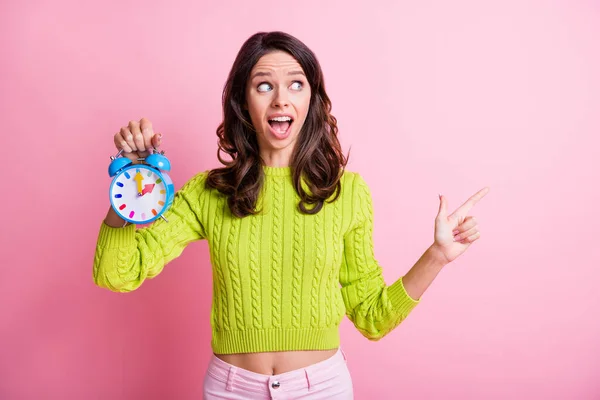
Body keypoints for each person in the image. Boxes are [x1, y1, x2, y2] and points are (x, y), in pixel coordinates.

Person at [93, 31, 489, 400]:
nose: (281, 99)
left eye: (296, 84)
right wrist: (130, 182)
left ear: (311, 101)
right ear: (244, 102)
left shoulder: (347, 193)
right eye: (264, 85)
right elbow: (117, 273)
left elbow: (373, 318)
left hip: (321, 389)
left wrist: (437, 255)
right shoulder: (209, 192)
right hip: (232, 389)